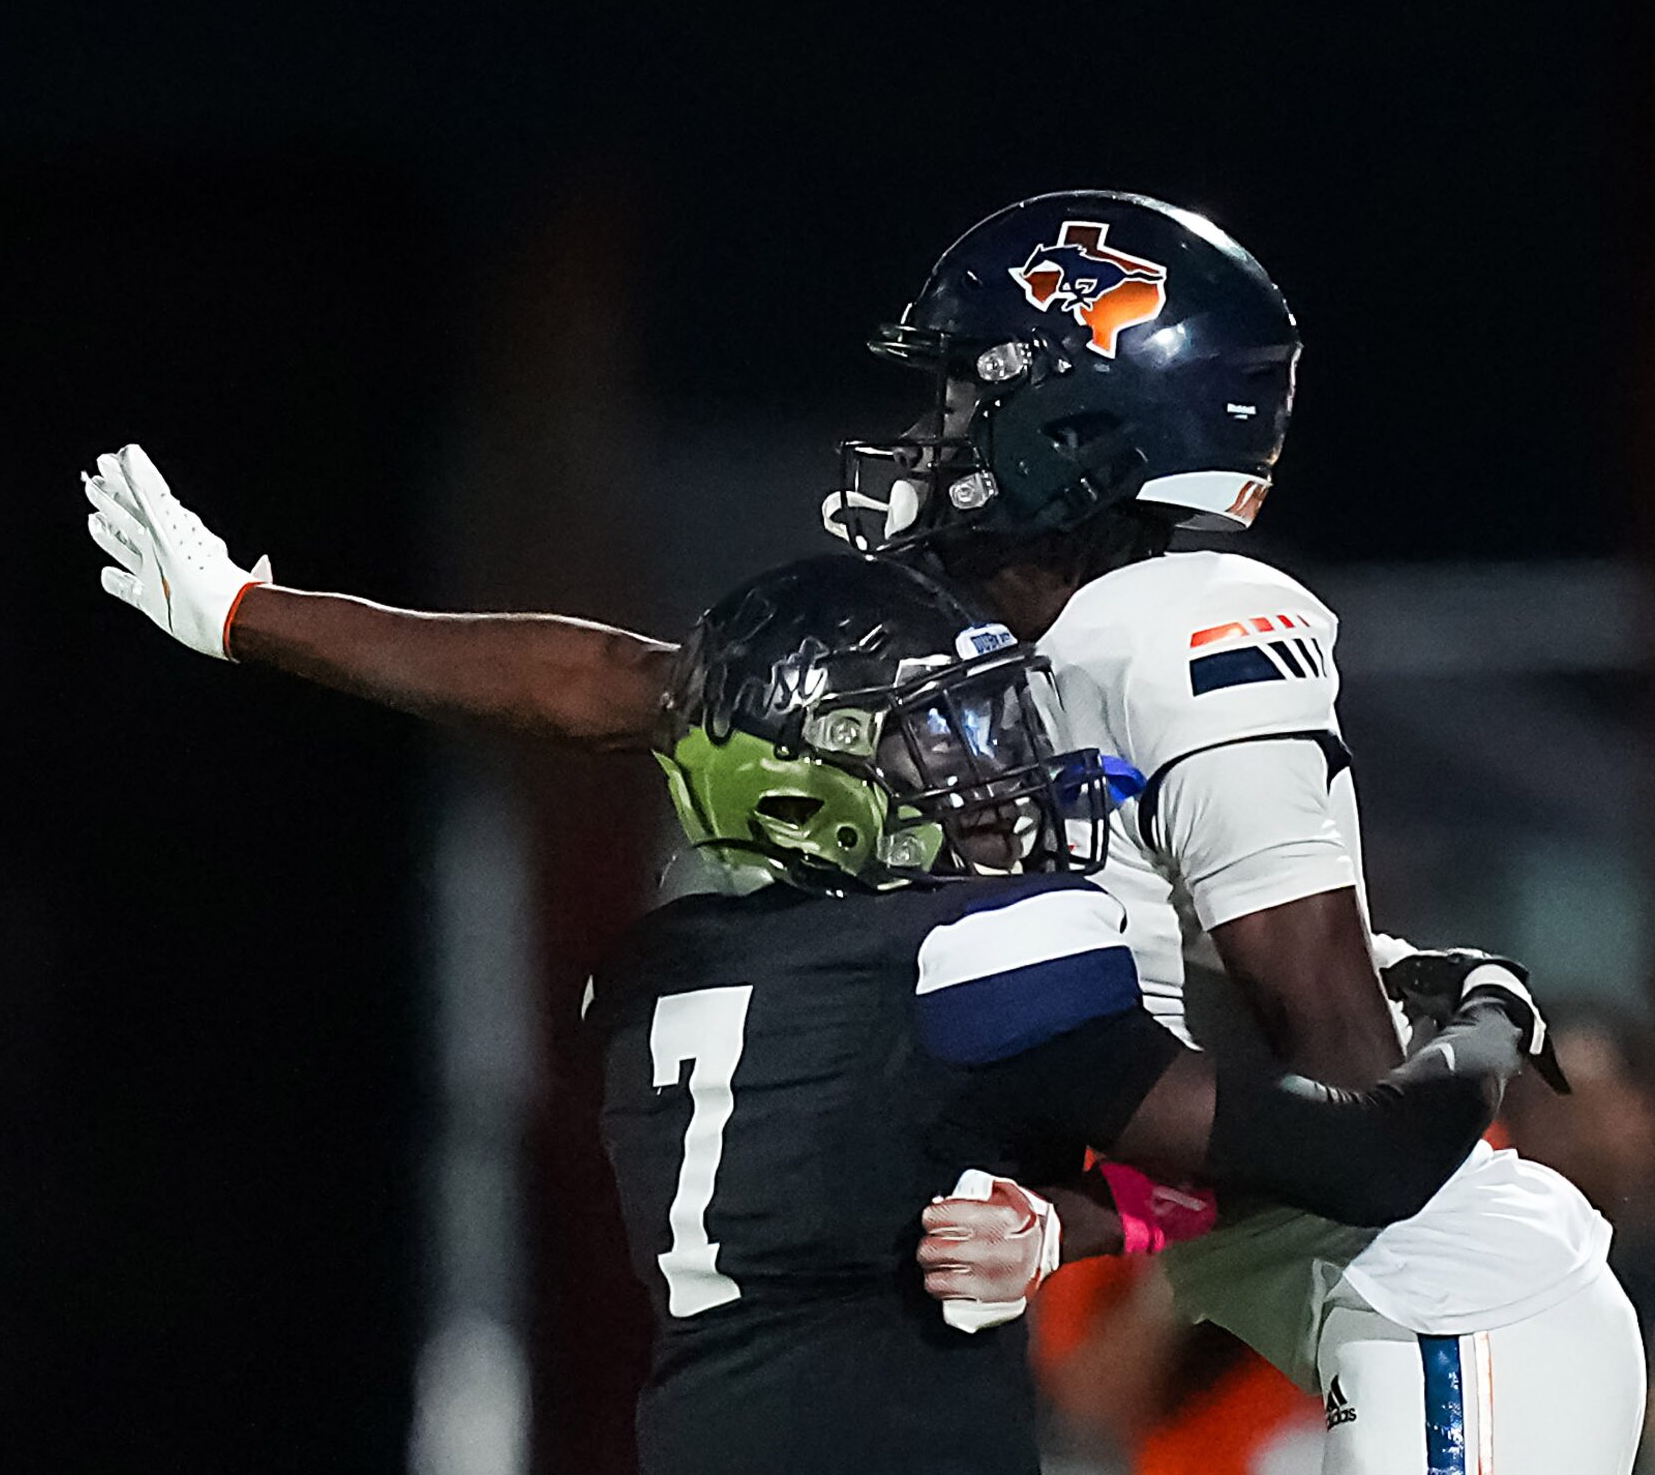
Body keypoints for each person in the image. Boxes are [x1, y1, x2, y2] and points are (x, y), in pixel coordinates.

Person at [81, 476, 1544, 1471]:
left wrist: (250, 616)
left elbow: (609, 689)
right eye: (943, 735)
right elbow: (1354, 1158)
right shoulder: (985, 955)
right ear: (809, 788)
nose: (997, 765)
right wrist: (1477, 1015)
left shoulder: (645, 977)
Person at [830, 191, 1642, 1471]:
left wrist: (1083, 1220)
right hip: (1388, 1322)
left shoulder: (1173, 627)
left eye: (966, 401)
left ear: (1074, 425)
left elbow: (1351, 1116)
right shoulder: (1059, 662)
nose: (933, 441)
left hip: (1444, 1317)